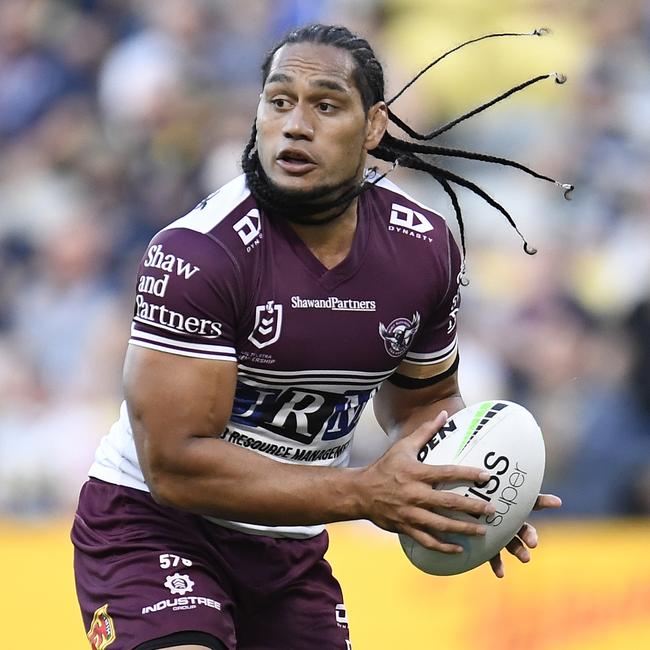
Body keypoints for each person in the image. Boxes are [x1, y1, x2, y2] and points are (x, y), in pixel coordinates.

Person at [72, 23, 565, 650]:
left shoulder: (424, 249)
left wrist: (467, 490)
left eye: (325, 105)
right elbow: (173, 467)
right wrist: (363, 493)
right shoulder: (199, 254)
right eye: (279, 102)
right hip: (154, 527)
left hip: (288, 544)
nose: (295, 125)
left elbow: (423, 407)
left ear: (373, 126)